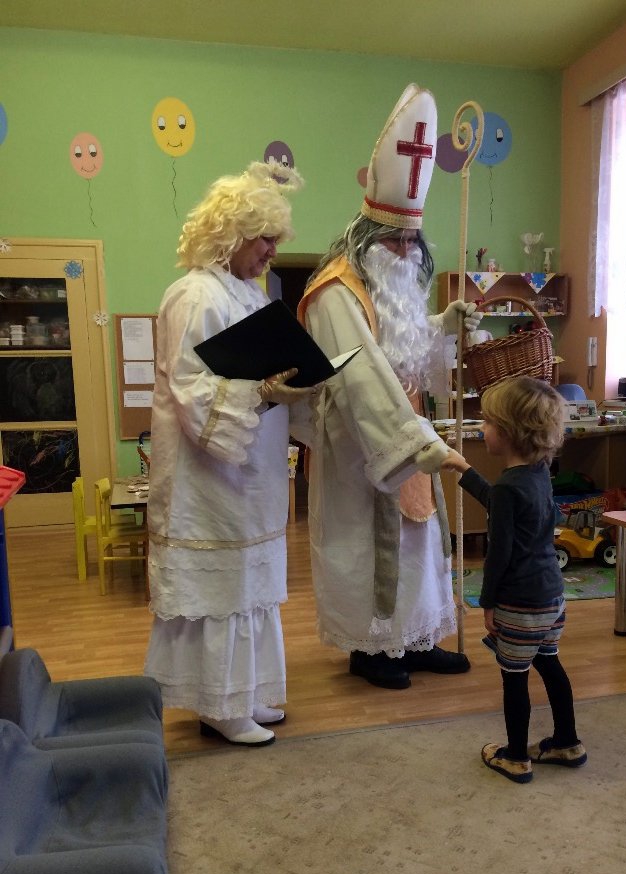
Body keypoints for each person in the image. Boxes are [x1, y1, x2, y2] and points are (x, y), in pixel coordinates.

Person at [296, 83, 483, 690]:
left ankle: (417, 637)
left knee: (419, 543)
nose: (403, 252)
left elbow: (400, 343)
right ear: (365, 237)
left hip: (407, 435)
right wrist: (412, 440)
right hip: (362, 450)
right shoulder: (335, 292)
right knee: (369, 548)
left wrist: (442, 325)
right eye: (392, 241)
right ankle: (372, 648)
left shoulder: (393, 283)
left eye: (410, 242)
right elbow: (362, 375)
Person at [143, 161, 311, 746]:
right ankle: (218, 704)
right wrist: (261, 391)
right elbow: (191, 387)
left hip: (249, 474)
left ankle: (244, 692)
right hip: (207, 478)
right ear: (232, 233)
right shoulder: (194, 294)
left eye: (275, 239)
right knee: (222, 592)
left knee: (249, 587)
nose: (272, 251)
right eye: (264, 238)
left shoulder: (245, 292)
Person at [441, 375, 587, 783]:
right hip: (551, 598)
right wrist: (464, 469)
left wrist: (487, 603)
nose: (482, 428)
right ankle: (567, 742)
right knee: (550, 664)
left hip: (519, 604)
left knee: (515, 679)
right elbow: (504, 504)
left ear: (507, 432)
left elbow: (499, 555)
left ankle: (516, 757)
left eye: (487, 422)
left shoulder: (509, 486)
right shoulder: (538, 472)